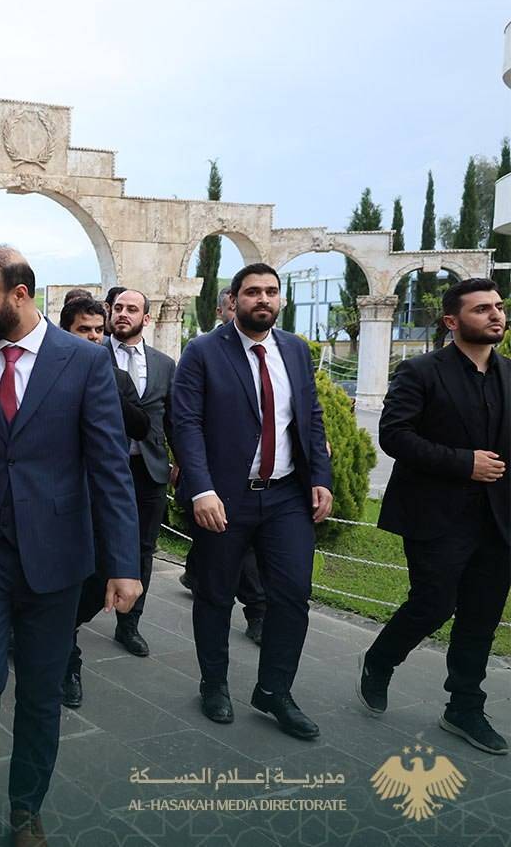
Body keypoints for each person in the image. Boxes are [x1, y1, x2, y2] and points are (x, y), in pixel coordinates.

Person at [0, 245, 141, 846]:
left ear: (20, 295)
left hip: (55, 558)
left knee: (42, 694)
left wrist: (123, 563)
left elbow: (109, 468)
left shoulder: (83, 361)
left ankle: (26, 807)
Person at [171, 262, 332, 741]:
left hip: (285, 496)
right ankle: (214, 684)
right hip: (224, 496)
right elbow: (185, 423)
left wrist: (320, 479)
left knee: (292, 595)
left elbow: (311, 416)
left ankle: (275, 691)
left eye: (271, 291)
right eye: (253, 291)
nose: (263, 299)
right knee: (215, 594)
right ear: (234, 299)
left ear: (280, 299)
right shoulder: (203, 351)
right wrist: (201, 489)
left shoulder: (295, 350)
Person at [357, 278, 510, 754]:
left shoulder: (510, 374)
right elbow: (395, 435)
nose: (496, 315)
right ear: (451, 321)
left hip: (499, 520)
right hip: (436, 515)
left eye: (498, 306)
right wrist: (464, 463)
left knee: (482, 615)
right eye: (482, 308)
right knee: (434, 603)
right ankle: (381, 659)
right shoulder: (420, 371)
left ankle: (464, 706)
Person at [57, 294, 149, 708]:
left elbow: (141, 426)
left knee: (95, 585)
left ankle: (60, 633)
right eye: (84, 330)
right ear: (66, 332)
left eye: (99, 330)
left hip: (99, 498)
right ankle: (66, 660)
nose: (94, 337)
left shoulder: (116, 378)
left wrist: (105, 385)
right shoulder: (49, 375)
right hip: (59, 499)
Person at [178, 287, 267, 645]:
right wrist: (194, 477)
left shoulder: (278, 352)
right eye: (233, 306)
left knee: (240, 552)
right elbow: (186, 420)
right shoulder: (202, 353)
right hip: (215, 481)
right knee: (231, 556)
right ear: (222, 311)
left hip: (262, 483)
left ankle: (198, 573)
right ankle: (257, 609)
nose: (240, 313)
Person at [104, 289, 176, 658]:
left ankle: (129, 624)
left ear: (146, 318)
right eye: (118, 308)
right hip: (104, 469)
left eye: (132, 309)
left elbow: (172, 417)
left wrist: (182, 462)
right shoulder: (92, 355)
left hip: (149, 469)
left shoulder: (164, 364)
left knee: (144, 549)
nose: (123, 314)